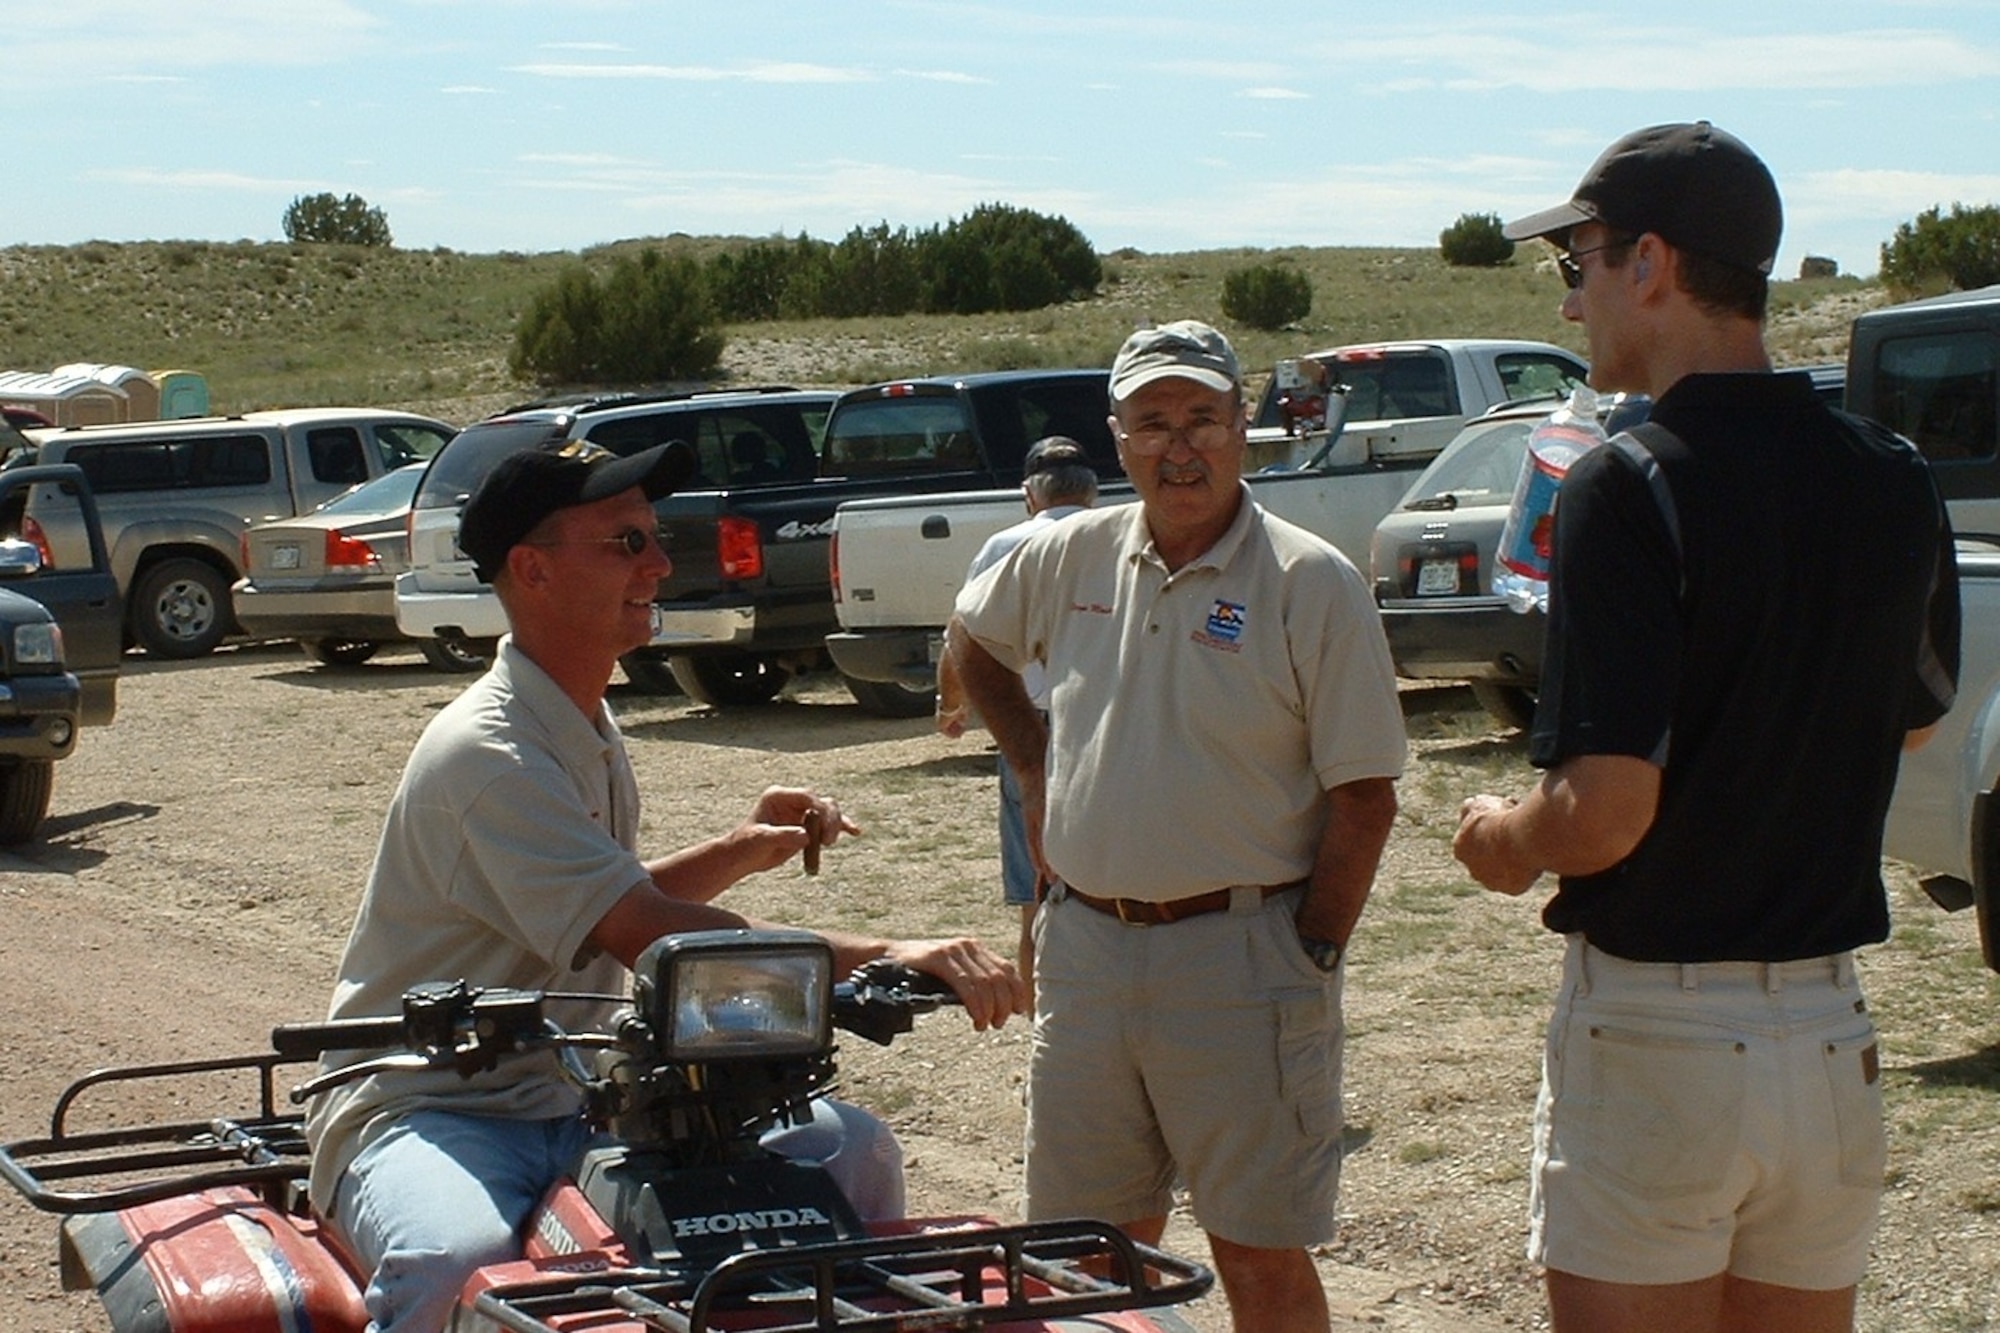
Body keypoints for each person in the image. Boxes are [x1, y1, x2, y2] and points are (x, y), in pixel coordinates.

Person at [304, 436, 1029, 1333]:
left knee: (855, 1153)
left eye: (653, 538)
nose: (658, 562)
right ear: (532, 569)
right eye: (627, 542)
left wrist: (737, 847)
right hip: (432, 1102)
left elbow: (597, 897)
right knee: (455, 1263)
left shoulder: (575, 714)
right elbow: (643, 927)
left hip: (580, 1095)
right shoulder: (489, 751)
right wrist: (890, 950)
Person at [1452, 122, 1960, 1333]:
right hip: (1829, 1034)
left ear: (1651, 264)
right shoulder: (1891, 473)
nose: (1569, 302)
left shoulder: (1628, 479)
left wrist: (1501, 837)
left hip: (1658, 1036)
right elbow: (1909, 724)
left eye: (1576, 263)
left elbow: (1602, 813)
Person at [947, 320, 1406, 1332]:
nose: (1180, 445)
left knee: (1258, 1254)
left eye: (1202, 416)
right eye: (1152, 421)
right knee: (1083, 1256)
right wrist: (1032, 763)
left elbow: (1365, 795)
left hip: (1241, 957)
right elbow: (971, 638)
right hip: (1087, 955)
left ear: (1243, 425)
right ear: (1117, 437)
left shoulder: (1309, 581)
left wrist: (1310, 949)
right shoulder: (1067, 552)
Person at [934, 435, 1099, 988]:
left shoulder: (1004, 546)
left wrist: (951, 704)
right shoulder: (1116, 538)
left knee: (1036, 891)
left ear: (1030, 495)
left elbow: (964, 636)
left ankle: (1040, 1015)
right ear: (1092, 492)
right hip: (1105, 722)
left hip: (1028, 726)